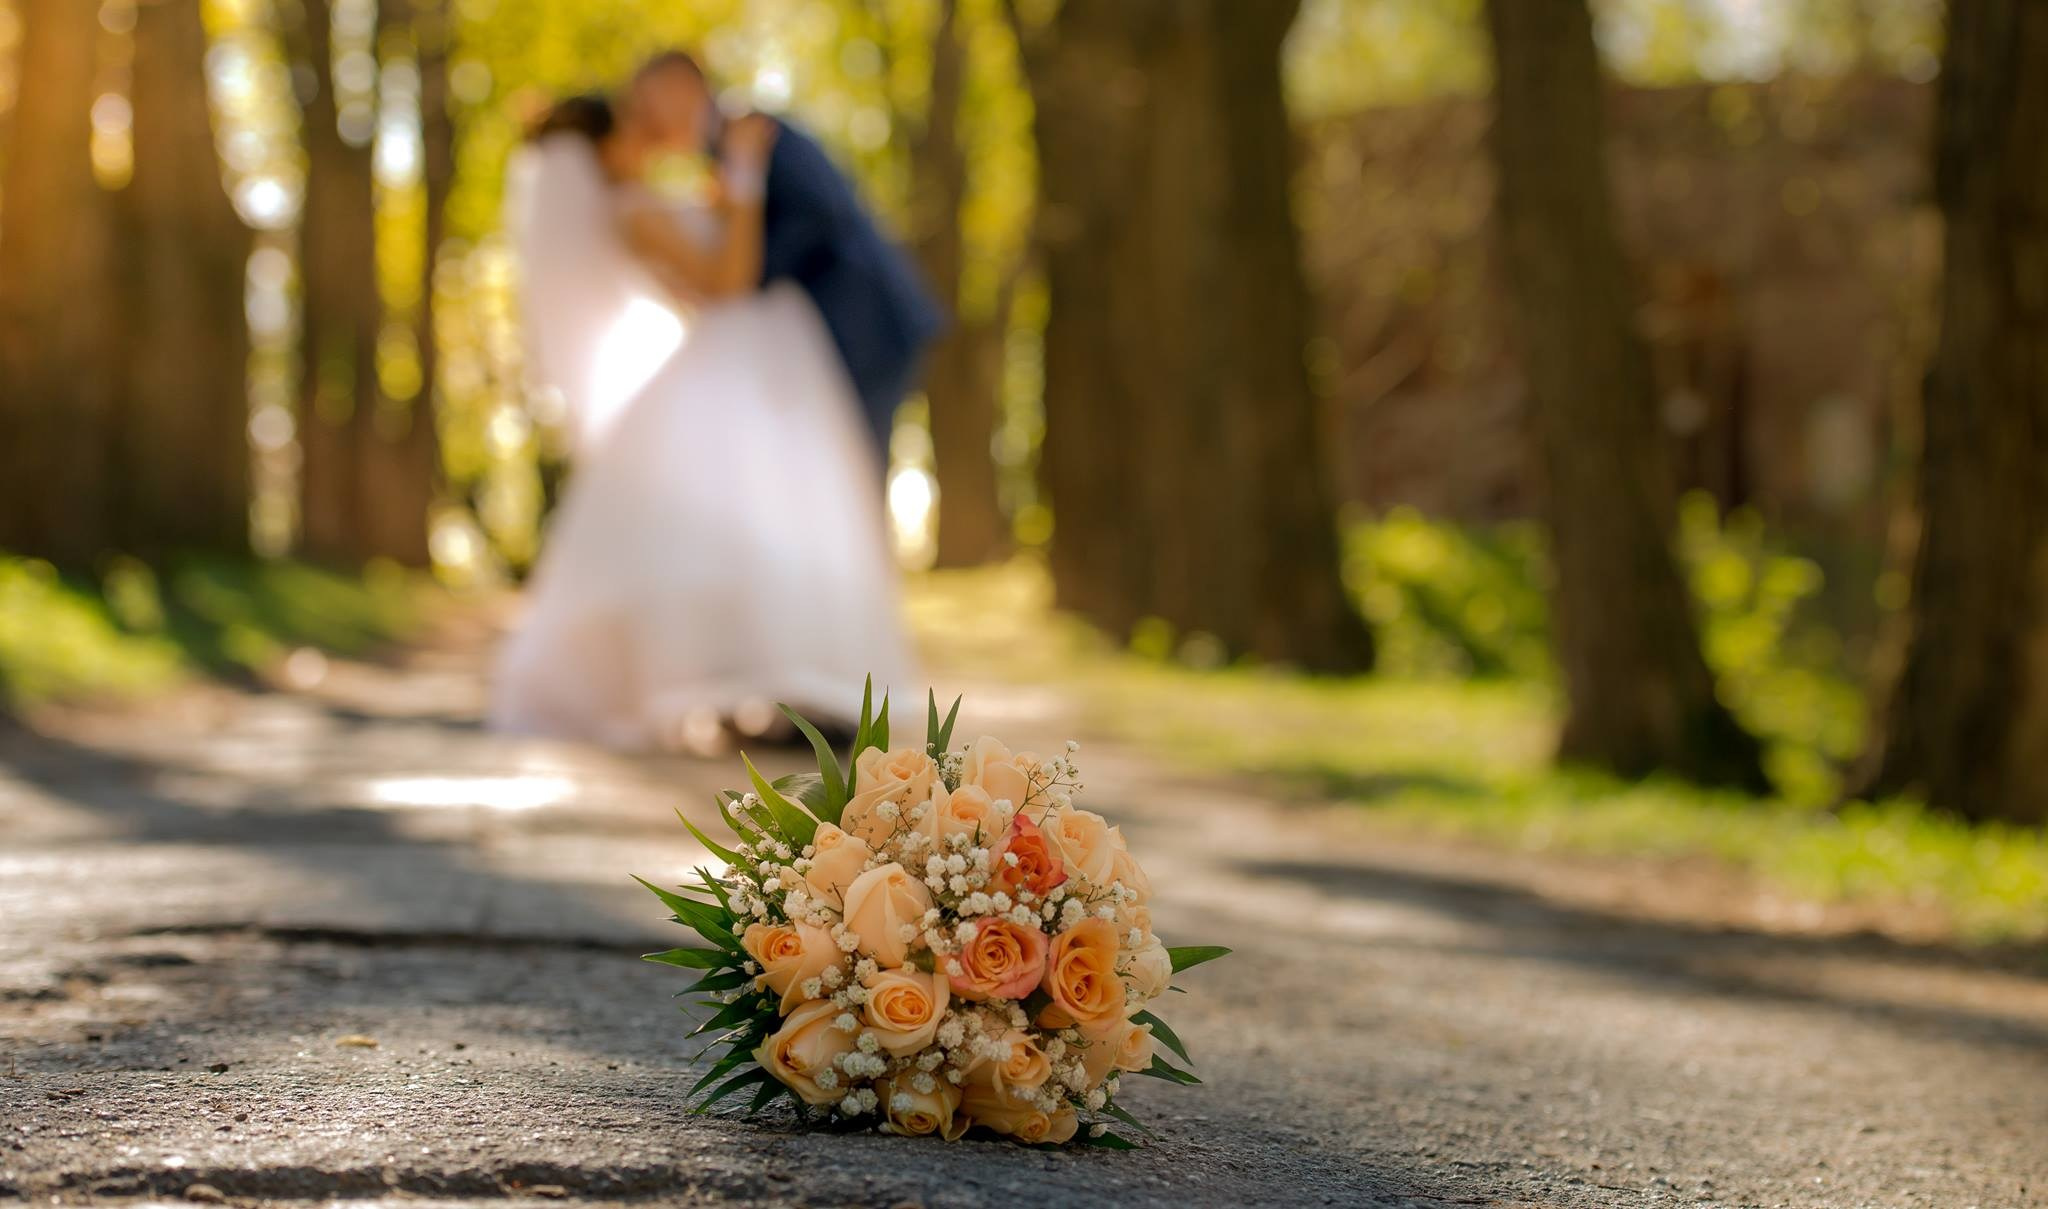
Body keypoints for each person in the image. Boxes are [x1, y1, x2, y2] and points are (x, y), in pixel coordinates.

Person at [490, 78, 917, 752]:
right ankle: (777, 686)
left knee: (767, 528)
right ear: (606, 149)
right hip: (742, 359)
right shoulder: (634, 211)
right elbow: (727, 279)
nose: (649, 137)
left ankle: (779, 689)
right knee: (767, 523)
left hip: (754, 359)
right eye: (632, 129)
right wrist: (744, 177)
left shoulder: (641, 206)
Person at [630, 51, 943, 459]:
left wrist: (745, 274)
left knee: (859, 469)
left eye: (650, 102)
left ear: (683, 86)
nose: (649, 120)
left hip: (866, 326)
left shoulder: (756, 134)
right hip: (828, 341)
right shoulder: (723, 160)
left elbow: (819, 215)